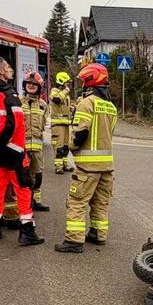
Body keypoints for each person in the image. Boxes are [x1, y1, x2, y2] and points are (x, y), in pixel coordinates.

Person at [0, 58, 44, 246]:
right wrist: (3, 142)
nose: (10, 69)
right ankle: (27, 232)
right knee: (24, 189)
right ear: (1, 71)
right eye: (7, 67)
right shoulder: (9, 94)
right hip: (14, 153)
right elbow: (14, 124)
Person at [55, 63, 118, 253]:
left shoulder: (87, 103)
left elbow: (80, 132)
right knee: (100, 202)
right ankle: (98, 234)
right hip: (107, 166)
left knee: (77, 201)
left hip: (88, 166)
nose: (82, 84)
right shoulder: (111, 106)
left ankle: (74, 241)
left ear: (90, 81)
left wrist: (69, 147)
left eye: (83, 80)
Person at [21, 72, 50, 212]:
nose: (31, 86)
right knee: (23, 177)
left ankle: (36, 201)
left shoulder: (43, 105)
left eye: (34, 84)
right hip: (22, 148)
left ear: (39, 87)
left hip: (37, 149)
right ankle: (25, 203)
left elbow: (43, 126)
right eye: (28, 83)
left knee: (38, 176)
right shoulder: (18, 102)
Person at [50, 72, 75, 175]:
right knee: (59, 147)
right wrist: (65, 91)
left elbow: (64, 106)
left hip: (65, 124)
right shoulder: (54, 91)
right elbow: (57, 100)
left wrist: (71, 108)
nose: (67, 85)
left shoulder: (65, 93)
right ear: (61, 82)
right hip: (58, 125)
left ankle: (65, 164)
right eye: (66, 82)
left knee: (65, 147)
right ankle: (58, 167)